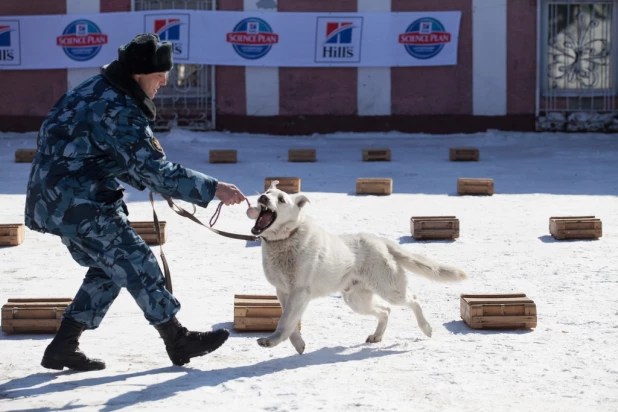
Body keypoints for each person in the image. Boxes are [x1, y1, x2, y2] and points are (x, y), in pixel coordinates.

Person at [24, 33, 246, 371]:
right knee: (135, 260)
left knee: (110, 267)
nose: (162, 84)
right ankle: (177, 339)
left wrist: (141, 176)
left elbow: (101, 153)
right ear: (139, 73)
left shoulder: (95, 89)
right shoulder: (119, 108)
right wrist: (214, 188)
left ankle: (63, 347)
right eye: (158, 78)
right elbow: (150, 168)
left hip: (54, 198)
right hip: (79, 200)